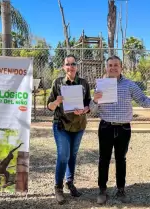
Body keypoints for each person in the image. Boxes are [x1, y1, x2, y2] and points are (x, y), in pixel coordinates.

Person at [90, 55, 150, 204]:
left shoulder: (130, 85)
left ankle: (121, 190)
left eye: (116, 65)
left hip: (124, 128)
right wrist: (95, 100)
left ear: (121, 67)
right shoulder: (101, 85)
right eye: (110, 65)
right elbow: (92, 110)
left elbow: (143, 101)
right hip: (106, 127)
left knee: (121, 159)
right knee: (103, 159)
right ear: (106, 68)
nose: (113, 67)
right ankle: (102, 190)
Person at [47, 55, 91, 204]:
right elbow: (49, 106)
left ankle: (70, 182)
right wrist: (56, 101)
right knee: (63, 155)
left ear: (77, 66)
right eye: (68, 64)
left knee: (72, 154)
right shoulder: (58, 83)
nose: (71, 67)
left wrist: (85, 110)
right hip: (61, 125)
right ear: (63, 67)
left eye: (73, 64)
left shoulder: (84, 83)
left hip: (78, 125)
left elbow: (88, 104)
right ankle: (58, 188)